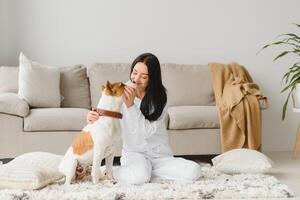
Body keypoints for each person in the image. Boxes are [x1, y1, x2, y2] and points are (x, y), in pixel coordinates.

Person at [86, 53, 201, 184]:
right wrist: (93, 116)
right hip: (134, 154)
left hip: (159, 155)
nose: (136, 79)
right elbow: (103, 112)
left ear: (152, 78)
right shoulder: (121, 91)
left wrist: (131, 107)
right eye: (134, 73)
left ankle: (148, 172)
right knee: (140, 177)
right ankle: (106, 171)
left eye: (144, 77)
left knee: (194, 171)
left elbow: (146, 132)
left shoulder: (160, 97)